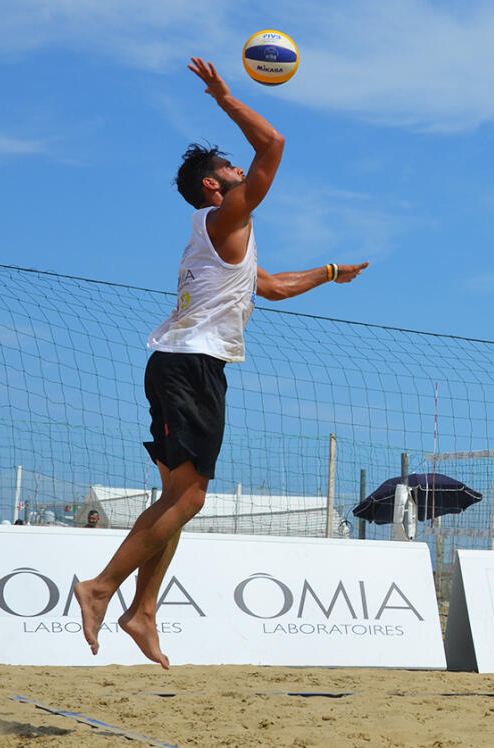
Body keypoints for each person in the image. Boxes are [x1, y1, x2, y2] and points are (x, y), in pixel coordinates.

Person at [74, 58, 369, 669]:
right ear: (215, 186)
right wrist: (225, 97)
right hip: (192, 368)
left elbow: (274, 287)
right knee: (189, 501)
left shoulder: (223, 235)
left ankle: (143, 610)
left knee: (177, 498)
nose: (241, 169)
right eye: (230, 168)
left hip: (179, 364)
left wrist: (333, 272)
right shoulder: (227, 216)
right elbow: (274, 142)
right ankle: (101, 587)